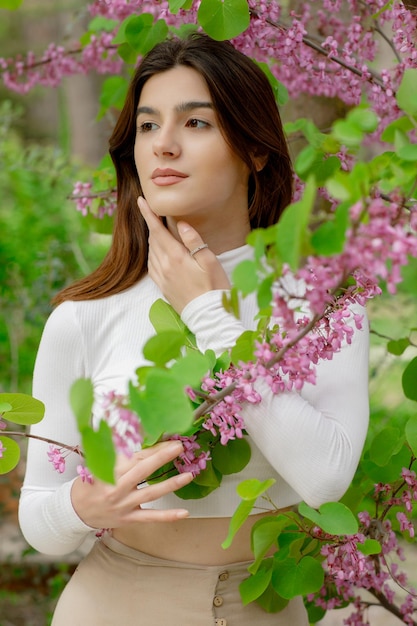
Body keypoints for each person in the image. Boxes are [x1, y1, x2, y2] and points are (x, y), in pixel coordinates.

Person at [18, 33, 370, 626]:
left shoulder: (322, 306)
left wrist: (210, 316)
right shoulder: (83, 316)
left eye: (197, 124)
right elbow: (39, 524)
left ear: (255, 151)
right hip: (114, 604)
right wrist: (84, 503)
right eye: (148, 126)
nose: (165, 147)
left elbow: (325, 479)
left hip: (265, 606)